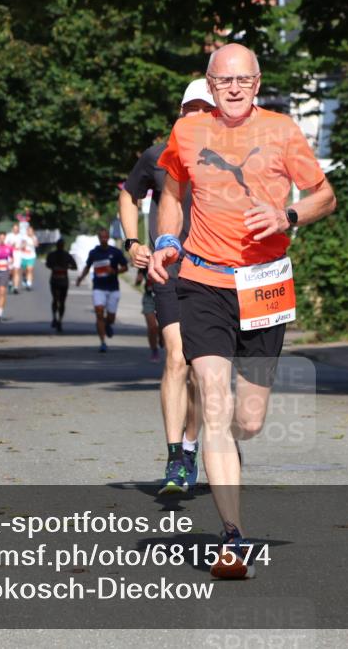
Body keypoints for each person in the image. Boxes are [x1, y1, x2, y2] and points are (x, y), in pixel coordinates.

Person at [148, 44, 337, 578]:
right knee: (211, 401)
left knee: (248, 420)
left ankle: (222, 449)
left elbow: (326, 195)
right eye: (223, 80)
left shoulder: (281, 131)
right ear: (209, 84)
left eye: (243, 80)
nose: (233, 89)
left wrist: (289, 215)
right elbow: (172, 191)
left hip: (264, 284)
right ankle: (232, 538)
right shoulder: (187, 132)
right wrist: (166, 238)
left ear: (257, 83)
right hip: (202, 280)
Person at [119, 78, 216, 495]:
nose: (196, 115)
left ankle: (192, 447)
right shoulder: (157, 157)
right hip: (170, 270)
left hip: (217, 273)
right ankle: (176, 458)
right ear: (180, 113)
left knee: (200, 368)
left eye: (204, 109)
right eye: (189, 108)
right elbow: (129, 195)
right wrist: (133, 242)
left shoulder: (229, 158)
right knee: (176, 358)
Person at [76, 228, 128, 353]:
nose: (104, 239)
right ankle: (103, 342)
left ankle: (108, 324)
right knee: (99, 313)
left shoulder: (115, 252)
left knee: (111, 317)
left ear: (108, 237)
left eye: (106, 237)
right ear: (99, 238)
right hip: (98, 287)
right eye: (102, 237)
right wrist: (80, 278)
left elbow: (125, 267)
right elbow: (87, 267)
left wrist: (114, 271)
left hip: (113, 288)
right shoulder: (94, 252)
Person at [45, 237, 77, 331]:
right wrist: (54, 267)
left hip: (63, 280)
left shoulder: (67, 255)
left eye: (61, 245)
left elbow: (74, 266)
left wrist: (67, 267)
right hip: (55, 279)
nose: (60, 246)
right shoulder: (52, 255)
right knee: (56, 299)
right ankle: (55, 318)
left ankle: (59, 319)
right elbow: (47, 264)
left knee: (61, 301)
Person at [136, 268, 161, 361]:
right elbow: (137, 282)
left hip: (164, 297)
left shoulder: (168, 262)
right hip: (149, 297)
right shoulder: (145, 265)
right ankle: (154, 350)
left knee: (163, 327)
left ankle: (161, 338)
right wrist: (138, 280)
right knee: (152, 327)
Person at [20, 226, 39, 290]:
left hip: (31, 256)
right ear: (27, 231)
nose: (30, 232)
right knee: (25, 270)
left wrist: (33, 238)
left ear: (33, 232)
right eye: (29, 231)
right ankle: (24, 277)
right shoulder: (24, 237)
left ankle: (29, 284)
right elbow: (22, 245)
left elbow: (36, 245)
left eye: (31, 231)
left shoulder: (34, 237)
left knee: (30, 269)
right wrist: (23, 244)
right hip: (24, 256)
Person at [9, 223, 25, 294]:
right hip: (10, 254)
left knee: (16, 271)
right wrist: (11, 245)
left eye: (17, 229)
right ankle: (10, 281)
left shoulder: (21, 236)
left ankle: (16, 287)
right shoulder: (9, 236)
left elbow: (24, 243)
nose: (15, 230)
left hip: (18, 254)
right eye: (14, 229)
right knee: (11, 272)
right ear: (12, 229)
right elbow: (5, 244)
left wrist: (21, 246)